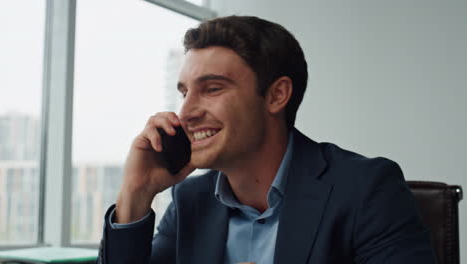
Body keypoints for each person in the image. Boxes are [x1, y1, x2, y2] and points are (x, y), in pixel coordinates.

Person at [97, 15, 436, 263]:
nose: (185, 113)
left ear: (277, 96)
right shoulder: (190, 199)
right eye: (184, 93)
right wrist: (136, 193)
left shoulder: (366, 189)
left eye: (212, 88)